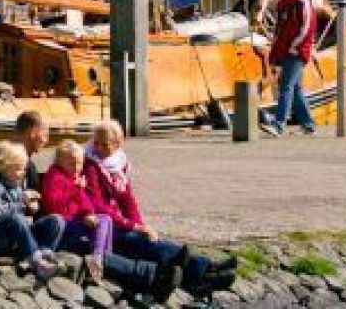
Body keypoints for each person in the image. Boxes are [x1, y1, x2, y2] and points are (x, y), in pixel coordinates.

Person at [87, 120, 238, 295]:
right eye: (96, 143)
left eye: (104, 144)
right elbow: (98, 205)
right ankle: (205, 270)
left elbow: (127, 200)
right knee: (145, 245)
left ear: (118, 144)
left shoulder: (118, 165)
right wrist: (134, 227)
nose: (98, 148)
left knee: (149, 240)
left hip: (116, 222)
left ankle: (203, 275)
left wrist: (141, 226)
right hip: (101, 226)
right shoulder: (91, 165)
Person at [0, 141, 63, 280]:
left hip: (18, 238)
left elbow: (20, 209)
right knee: (16, 219)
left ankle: (44, 255)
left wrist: (30, 206)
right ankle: (37, 262)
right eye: (17, 168)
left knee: (56, 220)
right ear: (3, 167)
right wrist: (22, 200)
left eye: (23, 169)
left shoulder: (17, 181)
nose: (21, 173)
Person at [262, 0, 318, 136]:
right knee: (296, 88)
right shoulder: (285, 3)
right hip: (288, 50)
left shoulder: (301, 2)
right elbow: (281, 30)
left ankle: (279, 124)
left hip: (297, 51)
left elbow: (306, 28)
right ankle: (308, 124)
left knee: (285, 87)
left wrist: (294, 47)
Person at [38, 140, 115, 260]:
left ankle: (103, 258)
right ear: (59, 162)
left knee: (106, 219)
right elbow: (54, 205)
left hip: (75, 219)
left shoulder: (74, 176)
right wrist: (76, 189)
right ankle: (97, 258)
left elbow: (84, 201)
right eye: (71, 164)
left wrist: (88, 214)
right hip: (63, 223)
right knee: (102, 223)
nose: (76, 168)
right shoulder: (54, 176)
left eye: (79, 164)